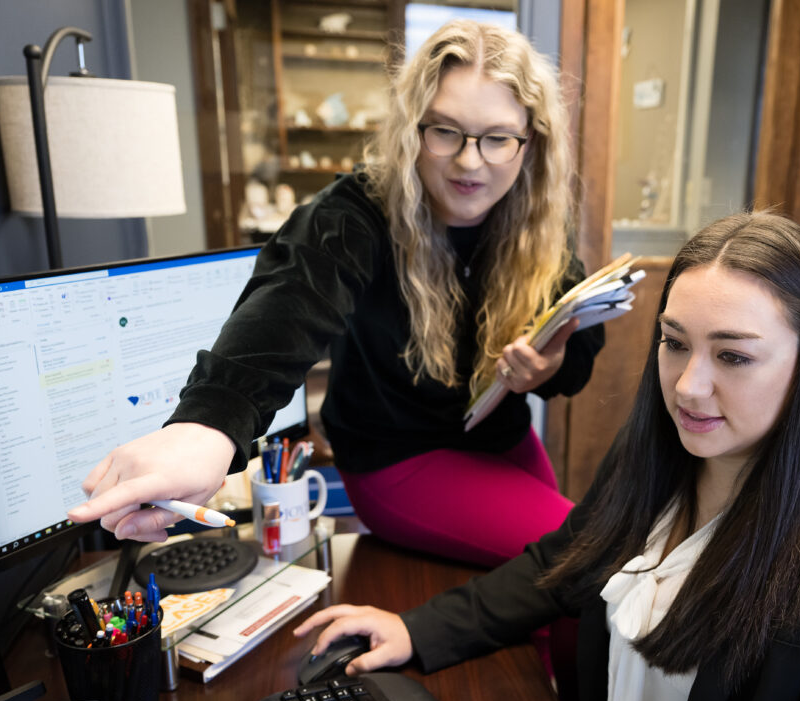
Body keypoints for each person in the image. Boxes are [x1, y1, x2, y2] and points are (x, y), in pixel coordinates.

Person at [292, 212, 800, 701]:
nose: (690, 387)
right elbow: (562, 562)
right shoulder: (662, 457)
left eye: (733, 357)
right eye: (675, 344)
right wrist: (418, 630)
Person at [68, 20, 604, 567]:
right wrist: (208, 426)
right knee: (583, 560)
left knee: (573, 582)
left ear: (530, 141)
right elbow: (289, 301)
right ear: (411, 128)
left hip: (499, 437)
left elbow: (580, 346)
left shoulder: (534, 216)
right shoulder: (357, 213)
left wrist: (551, 365)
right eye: (444, 131)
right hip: (398, 459)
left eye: (497, 138)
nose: (470, 161)